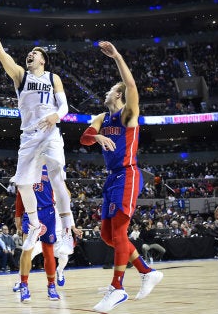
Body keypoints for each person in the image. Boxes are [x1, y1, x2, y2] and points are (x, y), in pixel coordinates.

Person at [79, 41, 163, 312]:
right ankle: (146, 271)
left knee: (118, 232)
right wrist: (98, 134)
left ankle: (117, 288)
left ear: (119, 95)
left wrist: (116, 56)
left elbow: (132, 86)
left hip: (128, 174)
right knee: (107, 235)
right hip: (112, 178)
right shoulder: (102, 117)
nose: (106, 92)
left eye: (111, 90)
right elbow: (85, 138)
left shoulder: (129, 115)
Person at [0, 10, 75, 253]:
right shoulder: (20, 76)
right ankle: (34, 226)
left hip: (50, 130)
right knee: (23, 184)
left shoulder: (53, 78)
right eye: (29, 53)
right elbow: (1, 54)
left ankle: (67, 231)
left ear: (43, 59)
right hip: (29, 135)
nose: (30, 55)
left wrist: (58, 115)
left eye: (34, 53)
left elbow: (64, 105)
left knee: (57, 179)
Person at [13, 165, 79, 303]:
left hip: (48, 212)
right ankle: (23, 285)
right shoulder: (27, 162)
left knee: (48, 252)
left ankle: (51, 286)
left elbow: (66, 194)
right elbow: (21, 192)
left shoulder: (53, 164)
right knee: (27, 250)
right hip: (31, 212)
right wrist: (18, 215)